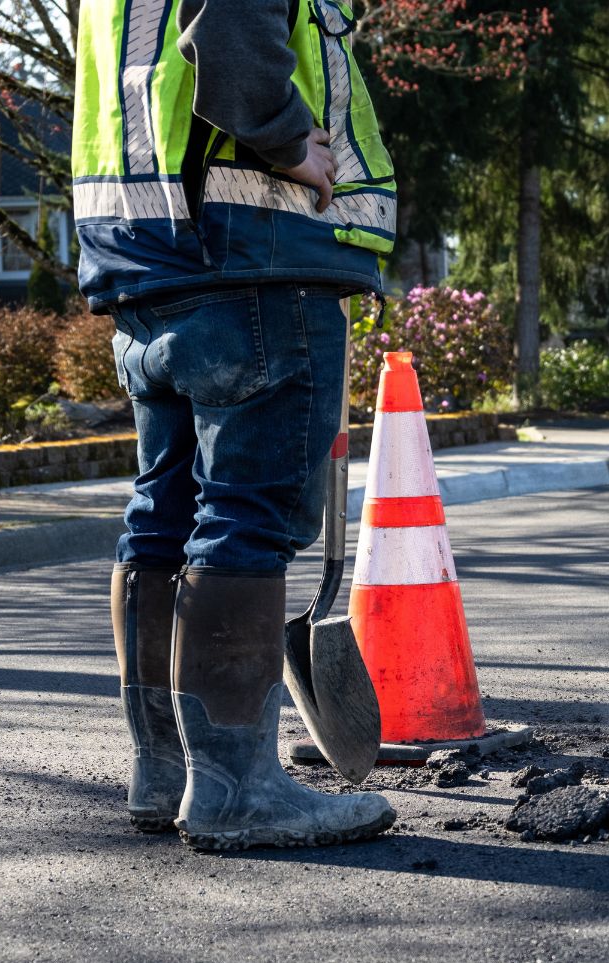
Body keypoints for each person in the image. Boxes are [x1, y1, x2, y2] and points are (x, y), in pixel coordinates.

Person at [74, 0, 396, 849]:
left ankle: (167, 770)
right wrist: (289, 140)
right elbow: (228, 35)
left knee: (164, 513)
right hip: (251, 251)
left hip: (146, 260)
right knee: (248, 515)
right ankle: (236, 791)